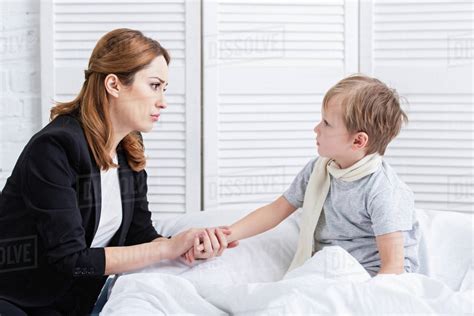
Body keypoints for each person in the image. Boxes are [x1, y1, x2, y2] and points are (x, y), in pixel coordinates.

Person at [0, 28, 236, 315]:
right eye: (154, 85)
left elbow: (140, 234)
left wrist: (186, 247)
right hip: (17, 301)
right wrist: (168, 249)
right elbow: (71, 261)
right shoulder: (55, 147)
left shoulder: (128, 148)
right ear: (114, 84)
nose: (163, 101)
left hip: (74, 305)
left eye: (164, 89)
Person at [184, 74, 420, 277]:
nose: (316, 129)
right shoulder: (320, 169)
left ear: (358, 141)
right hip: (330, 266)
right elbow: (276, 210)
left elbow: (393, 268)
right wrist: (226, 235)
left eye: (327, 123)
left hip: (368, 275)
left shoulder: (383, 190)